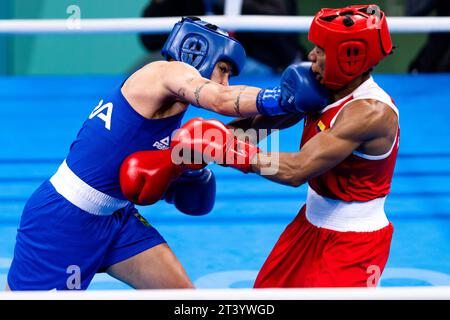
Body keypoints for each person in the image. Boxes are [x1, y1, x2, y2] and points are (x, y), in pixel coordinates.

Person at [6, 17, 326, 290]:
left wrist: (295, 108)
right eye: (224, 70)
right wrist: (279, 97)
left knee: (183, 296)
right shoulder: (161, 73)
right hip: (64, 220)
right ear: (198, 53)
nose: (226, 80)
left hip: (118, 220)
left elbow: (240, 131)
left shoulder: (173, 113)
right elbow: (220, 99)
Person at [168, 4, 399, 287]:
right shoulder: (321, 86)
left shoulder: (370, 113)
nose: (311, 55)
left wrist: (228, 150)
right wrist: (189, 151)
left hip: (354, 243)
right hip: (308, 225)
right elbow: (259, 128)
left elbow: (296, 170)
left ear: (348, 57)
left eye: (321, 50)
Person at [139, 0, 306, 74]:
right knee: (149, 68)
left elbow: (276, 21)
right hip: (198, 66)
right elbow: (150, 41)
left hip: (263, 62)